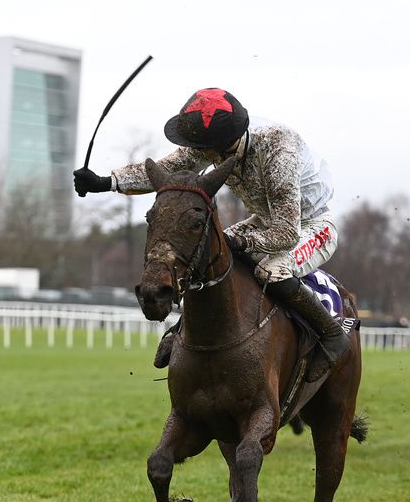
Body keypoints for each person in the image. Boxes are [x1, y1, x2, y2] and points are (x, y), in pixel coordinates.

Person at [73, 87, 349, 381]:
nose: (197, 153)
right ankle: (182, 328)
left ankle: (332, 336)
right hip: (265, 221)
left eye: (202, 148)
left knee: (273, 270)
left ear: (222, 145)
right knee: (207, 254)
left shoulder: (278, 150)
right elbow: (165, 169)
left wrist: (242, 242)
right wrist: (106, 182)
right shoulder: (215, 142)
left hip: (310, 226)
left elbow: (285, 232)